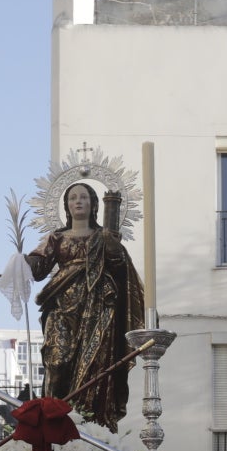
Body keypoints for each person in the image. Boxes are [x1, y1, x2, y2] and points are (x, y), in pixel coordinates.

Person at [23, 182, 145, 430]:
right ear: (66, 206)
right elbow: (38, 269)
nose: (77, 201)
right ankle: (52, 420)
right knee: (57, 362)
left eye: (83, 197)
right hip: (61, 308)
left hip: (98, 310)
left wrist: (113, 249)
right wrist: (23, 261)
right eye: (72, 198)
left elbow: (120, 269)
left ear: (93, 204)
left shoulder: (104, 236)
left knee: (96, 368)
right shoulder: (56, 238)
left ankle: (89, 423)